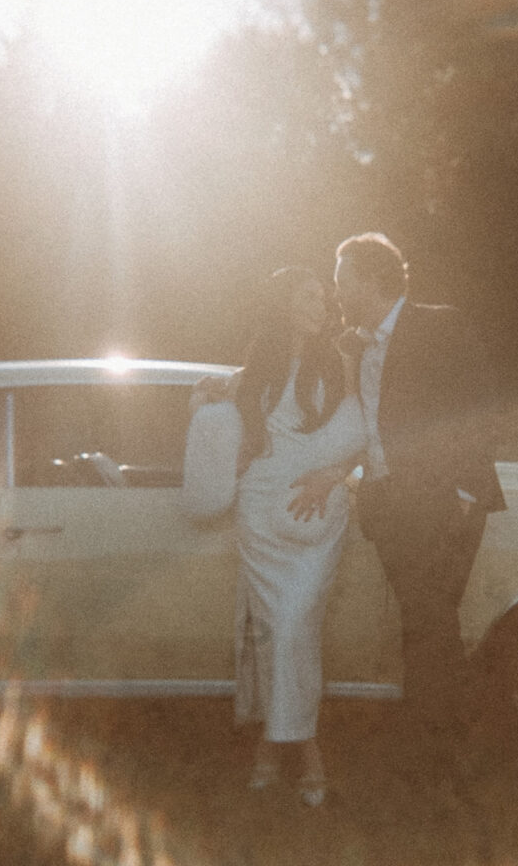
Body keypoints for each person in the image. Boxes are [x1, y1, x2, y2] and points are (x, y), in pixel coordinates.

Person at [292, 232, 506, 783]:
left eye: (342, 281)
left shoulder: (440, 325)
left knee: (430, 624)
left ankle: (438, 754)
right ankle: (438, 746)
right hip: (390, 507)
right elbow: (359, 423)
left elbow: (481, 409)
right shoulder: (353, 345)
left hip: (443, 502)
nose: (337, 293)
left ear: (369, 279)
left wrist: (459, 494)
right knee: (426, 624)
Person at [191, 267, 364, 807]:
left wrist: (332, 476)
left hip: (317, 513)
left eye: (325, 297)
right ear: (284, 302)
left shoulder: (342, 361)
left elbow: (370, 434)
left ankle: (283, 746)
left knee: (292, 626)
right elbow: (221, 431)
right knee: (273, 632)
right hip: (260, 513)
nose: (322, 304)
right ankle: (293, 749)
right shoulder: (254, 369)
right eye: (310, 295)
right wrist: (206, 399)